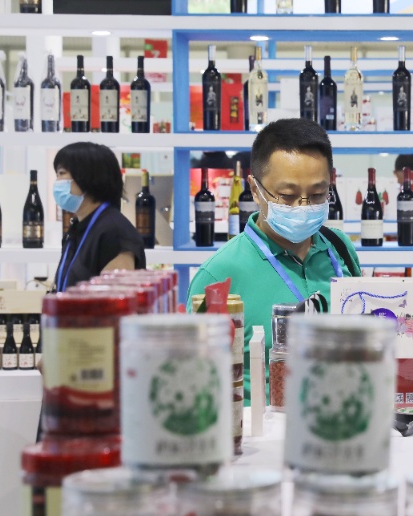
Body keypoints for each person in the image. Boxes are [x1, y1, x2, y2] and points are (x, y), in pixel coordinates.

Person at [186, 119, 361, 400]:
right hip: (265, 426)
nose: (303, 207)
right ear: (255, 190)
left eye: (318, 194)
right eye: (287, 196)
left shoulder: (340, 249)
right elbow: (196, 387)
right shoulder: (218, 276)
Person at [52, 142, 147, 292]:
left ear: (87, 177)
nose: (57, 182)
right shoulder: (77, 227)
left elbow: (115, 298)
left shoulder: (114, 232)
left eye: (61, 174)